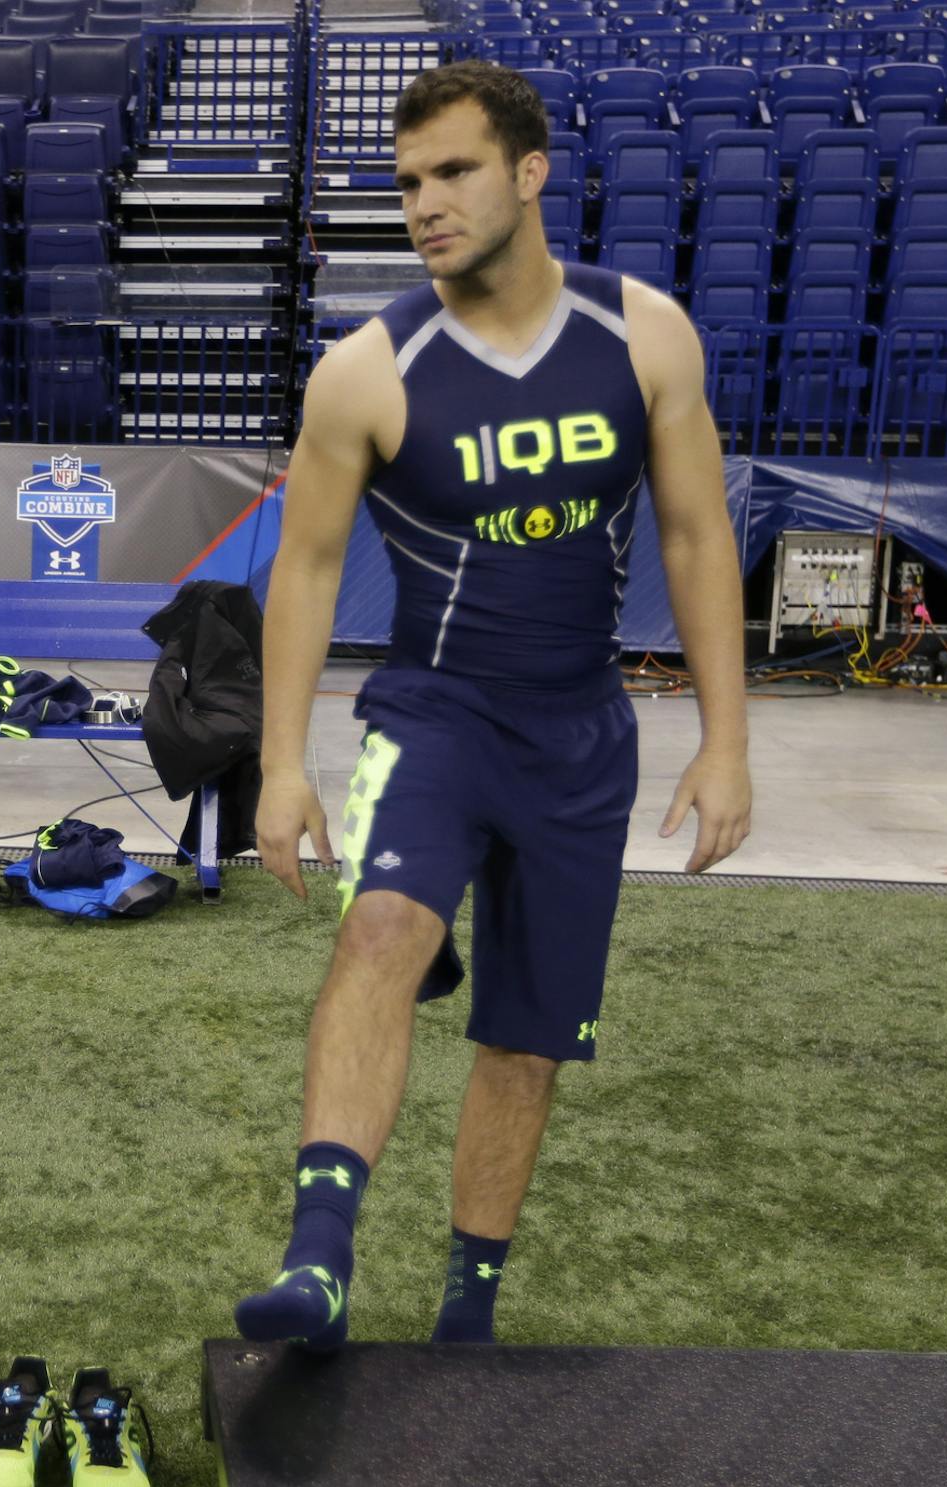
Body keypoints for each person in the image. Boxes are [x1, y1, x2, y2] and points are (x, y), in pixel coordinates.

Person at [236, 61, 753, 1351]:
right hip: (436, 718)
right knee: (382, 936)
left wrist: (728, 742)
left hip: (584, 740)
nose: (426, 203)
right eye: (408, 182)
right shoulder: (365, 371)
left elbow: (696, 537)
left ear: (529, 173)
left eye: (453, 172)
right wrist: (281, 762)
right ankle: (317, 1264)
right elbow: (302, 568)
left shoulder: (647, 337)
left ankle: (468, 1319)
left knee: (525, 1040)